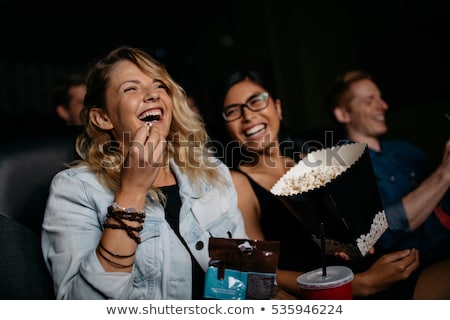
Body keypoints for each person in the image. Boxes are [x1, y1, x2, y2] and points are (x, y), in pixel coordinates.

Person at [216, 69, 449, 299]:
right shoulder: (237, 183)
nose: (248, 116)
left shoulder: (308, 157)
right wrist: (354, 285)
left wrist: (352, 243)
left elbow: (342, 230)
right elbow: (258, 274)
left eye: (256, 101)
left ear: (277, 107)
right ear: (226, 126)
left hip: (373, 269)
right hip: (334, 293)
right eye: (233, 111)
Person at [41, 46, 248, 299]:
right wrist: (132, 192)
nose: (152, 95)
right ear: (103, 118)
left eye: (159, 85)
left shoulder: (212, 172)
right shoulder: (75, 190)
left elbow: (240, 276)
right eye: (131, 88)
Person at [326, 70, 450, 268]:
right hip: (419, 265)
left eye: (380, 98)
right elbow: (375, 232)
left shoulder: (406, 149)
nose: (383, 106)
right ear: (343, 114)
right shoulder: (338, 166)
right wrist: (445, 174)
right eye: (369, 100)